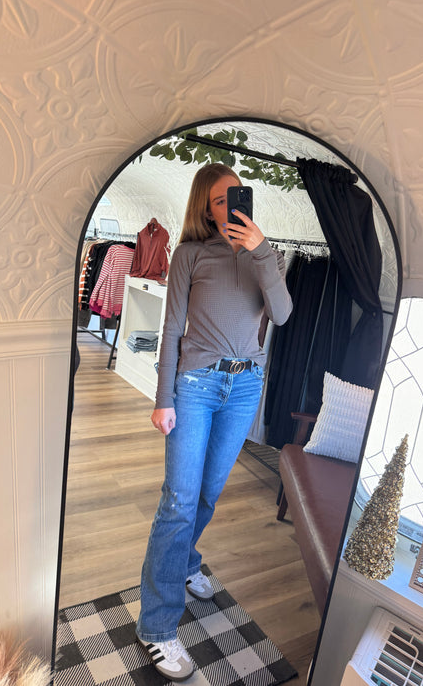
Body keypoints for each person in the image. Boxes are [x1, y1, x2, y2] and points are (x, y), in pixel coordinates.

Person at [136, 163, 293, 681]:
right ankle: (157, 626)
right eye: (221, 200)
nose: (231, 207)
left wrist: (261, 250)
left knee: (208, 493)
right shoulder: (189, 254)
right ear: (206, 208)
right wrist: (163, 398)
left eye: (238, 196)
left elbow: (283, 314)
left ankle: (184, 564)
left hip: (245, 386)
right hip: (196, 386)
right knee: (179, 500)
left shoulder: (265, 256)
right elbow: (171, 329)